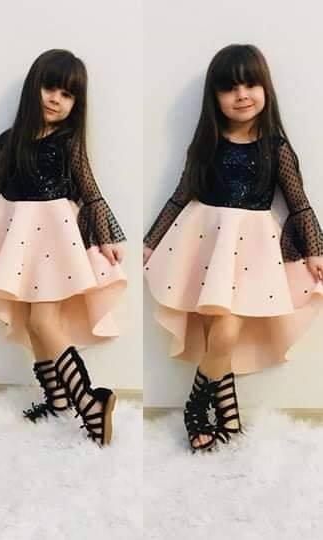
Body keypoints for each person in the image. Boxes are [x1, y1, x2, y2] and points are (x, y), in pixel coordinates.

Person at [144, 44, 323, 452]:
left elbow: (299, 203)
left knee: (225, 333)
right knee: (216, 334)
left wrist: (316, 249)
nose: (242, 95)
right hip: (206, 243)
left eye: (250, 85)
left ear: (265, 89)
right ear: (215, 96)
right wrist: (150, 242)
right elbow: (180, 195)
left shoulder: (276, 147)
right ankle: (229, 417)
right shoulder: (206, 144)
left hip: (253, 250)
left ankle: (194, 408)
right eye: (230, 88)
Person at [0, 49, 127, 446]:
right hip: (17, 234)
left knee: (42, 321)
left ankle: (89, 401)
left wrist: (105, 237)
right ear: (33, 88)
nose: (56, 99)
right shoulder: (7, 143)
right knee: (27, 320)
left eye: (67, 94)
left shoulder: (68, 141)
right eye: (50, 88)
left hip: (54, 237)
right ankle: (57, 399)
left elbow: (90, 191)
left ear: (76, 104)